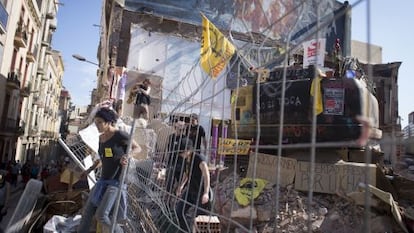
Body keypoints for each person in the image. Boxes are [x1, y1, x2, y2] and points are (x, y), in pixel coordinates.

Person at [77, 107, 139, 233]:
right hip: (103, 181)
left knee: (101, 215)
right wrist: (89, 170)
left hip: (116, 182)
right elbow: (103, 158)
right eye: (96, 123)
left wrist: (127, 156)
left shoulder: (119, 135)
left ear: (108, 122)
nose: (97, 125)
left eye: (100, 122)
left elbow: (137, 148)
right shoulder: (102, 138)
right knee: (88, 211)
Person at [175, 137, 212, 232]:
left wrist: (206, 193)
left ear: (189, 150)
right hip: (191, 191)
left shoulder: (199, 159)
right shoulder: (186, 160)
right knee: (179, 211)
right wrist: (181, 186)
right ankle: (185, 230)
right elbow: (186, 173)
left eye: (182, 152)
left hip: (201, 193)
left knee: (197, 220)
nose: (180, 154)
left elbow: (206, 175)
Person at [165, 119, 188, 193]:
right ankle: (168, 197)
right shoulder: (171, 137)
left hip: (181, 164)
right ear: (176, 128)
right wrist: (165, 159)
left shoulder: (185, 139)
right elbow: (168, 149)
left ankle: (176, 197)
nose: (180, 130)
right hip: (171, 163)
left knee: (180, 182)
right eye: (179, 128)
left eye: (182, 129)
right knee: (169, 182)